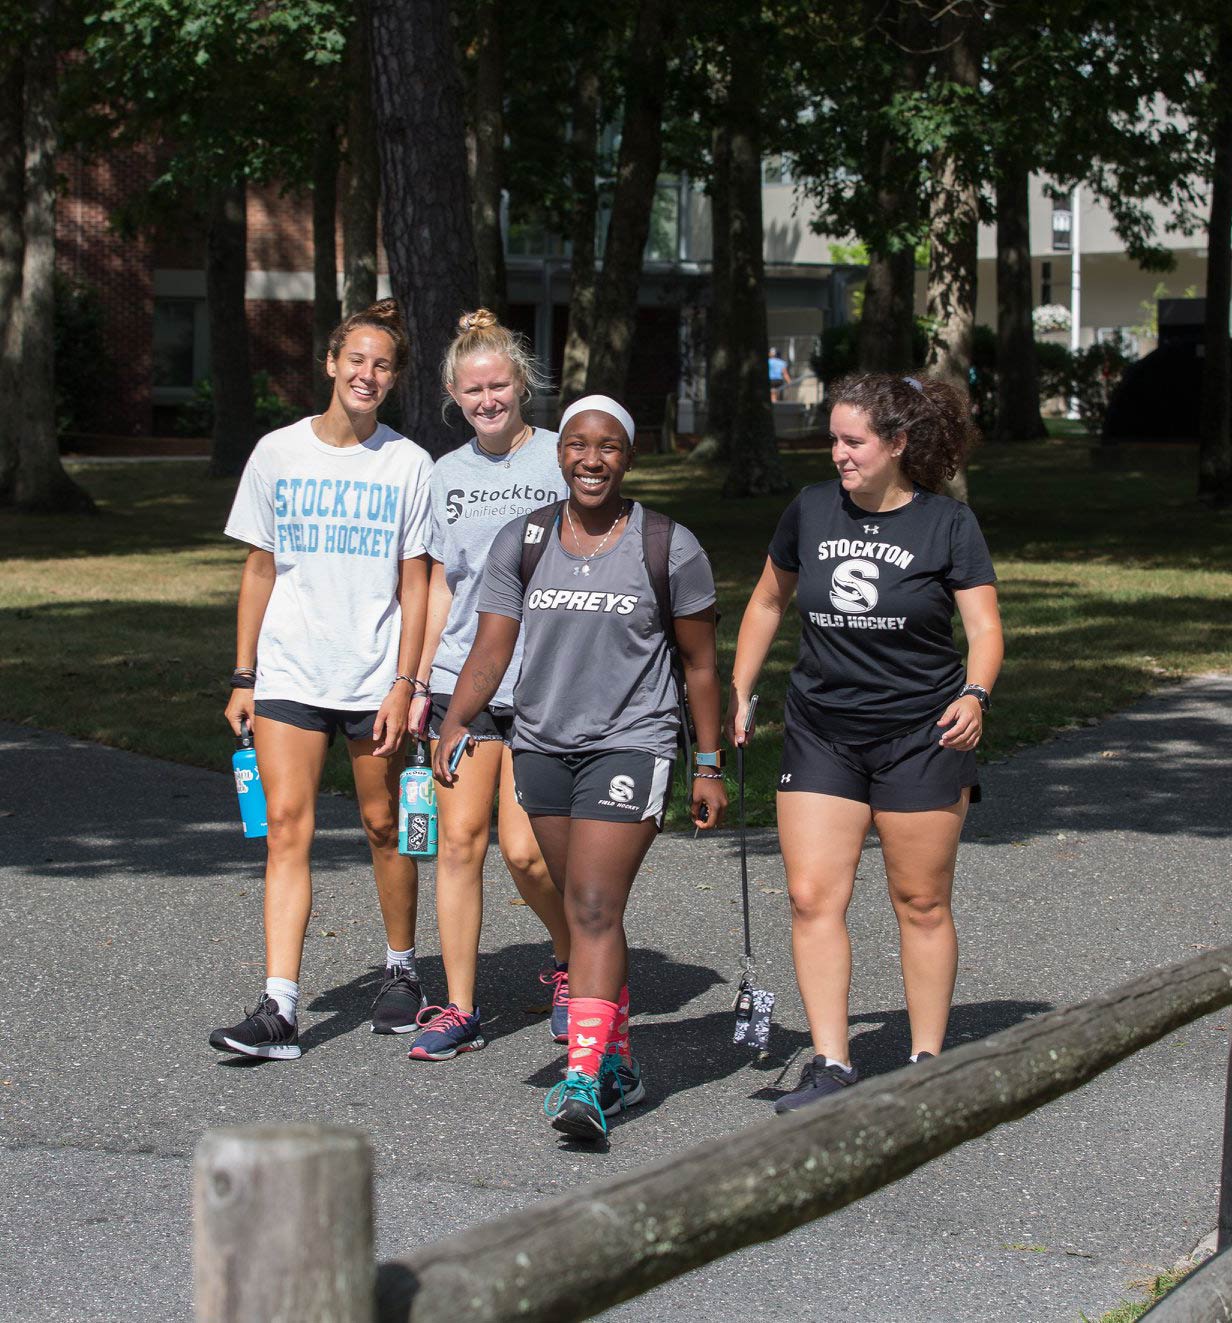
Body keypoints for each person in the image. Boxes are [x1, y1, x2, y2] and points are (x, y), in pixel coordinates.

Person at [434, 394, 727, 1141]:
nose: (591, 460)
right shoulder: (524, 539)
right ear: (559, 453)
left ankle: (584, 1077)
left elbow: (699, 664)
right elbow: (492, 647)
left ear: (628, 457)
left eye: (608, 447)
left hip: (633, 741)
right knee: (579, 907)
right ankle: (620, 1062)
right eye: (577, 445)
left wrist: (708, 760)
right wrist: (457, 718)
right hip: (541, 742)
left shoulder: (668, 544)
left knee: (594, 905)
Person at [727, 372, 1003, 1113]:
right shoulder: (812, 509)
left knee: (920, 899)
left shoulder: (948, 524)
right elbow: (767, 599)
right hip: (823, 731)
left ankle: (926, 1066)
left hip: (923, 733)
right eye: (834, 439)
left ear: (897, 444)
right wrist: (741, 688)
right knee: (812, 895)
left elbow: (983, 627)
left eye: (854, 441)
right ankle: (831, 1061)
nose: (838, 454)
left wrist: (975, 693)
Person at [211, 299, 434, 1060]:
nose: (367, 374)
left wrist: (407, 680)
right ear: (332, 364)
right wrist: (244, 674)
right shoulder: (278, 452)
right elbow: (259, 567)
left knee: (382, 825)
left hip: (374, 679)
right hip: (289, 672)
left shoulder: (408, 463)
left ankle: (403, 968)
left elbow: (418, 585)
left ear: (394, 378)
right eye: (357, 360)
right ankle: (279, 1007)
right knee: (287, 832)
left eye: (383, 365)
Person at [404, 309, 571, 1062]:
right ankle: (460, 1006)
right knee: (459, 846)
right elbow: (442, 584)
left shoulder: (560, 462)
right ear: (452, 392)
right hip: (460, 687)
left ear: (522, 385)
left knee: (526, 851)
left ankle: (578, 961)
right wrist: (417, 679)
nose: (487, 399)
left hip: (542, 685)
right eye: (473, 390)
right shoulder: (447, 476)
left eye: (499, 385)